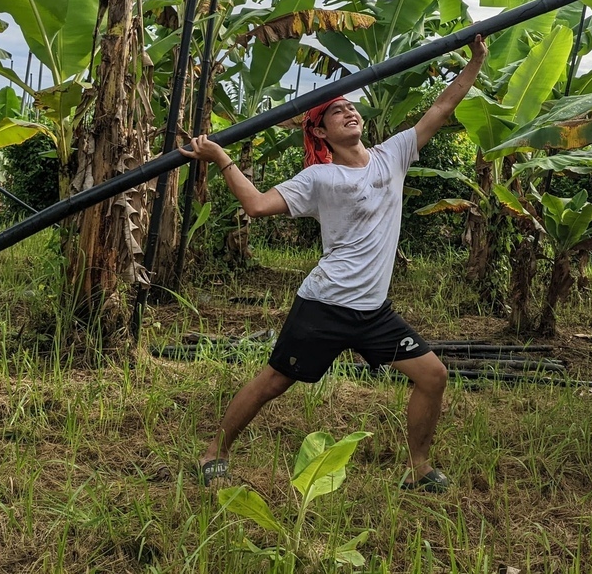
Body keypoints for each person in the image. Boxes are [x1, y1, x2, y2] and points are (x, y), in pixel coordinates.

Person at [179, 35, 487, 492]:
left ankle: (419, 468)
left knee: (434, 375)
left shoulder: (393, 156)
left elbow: (440, 109)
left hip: (374, 311)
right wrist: (221, 157)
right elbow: (258, 206)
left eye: (351, 107)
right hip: (326, 304)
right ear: (320, 132)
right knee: (273, 382)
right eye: (336, 112)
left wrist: (475, 63)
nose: (349, 112)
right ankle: (214, 453)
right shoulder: (320, 177)